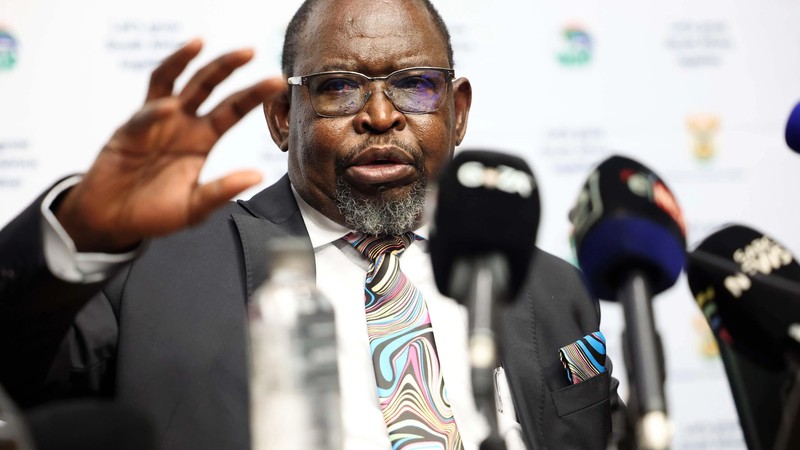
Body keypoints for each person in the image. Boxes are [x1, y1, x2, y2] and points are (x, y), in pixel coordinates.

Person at [0, 0, 622, 449]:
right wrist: (80, 231)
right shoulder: (153, 269)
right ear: (281, 117)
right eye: (339, 88)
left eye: (414, 85)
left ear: (457, 113)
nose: (380, 115)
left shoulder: (549, 287)